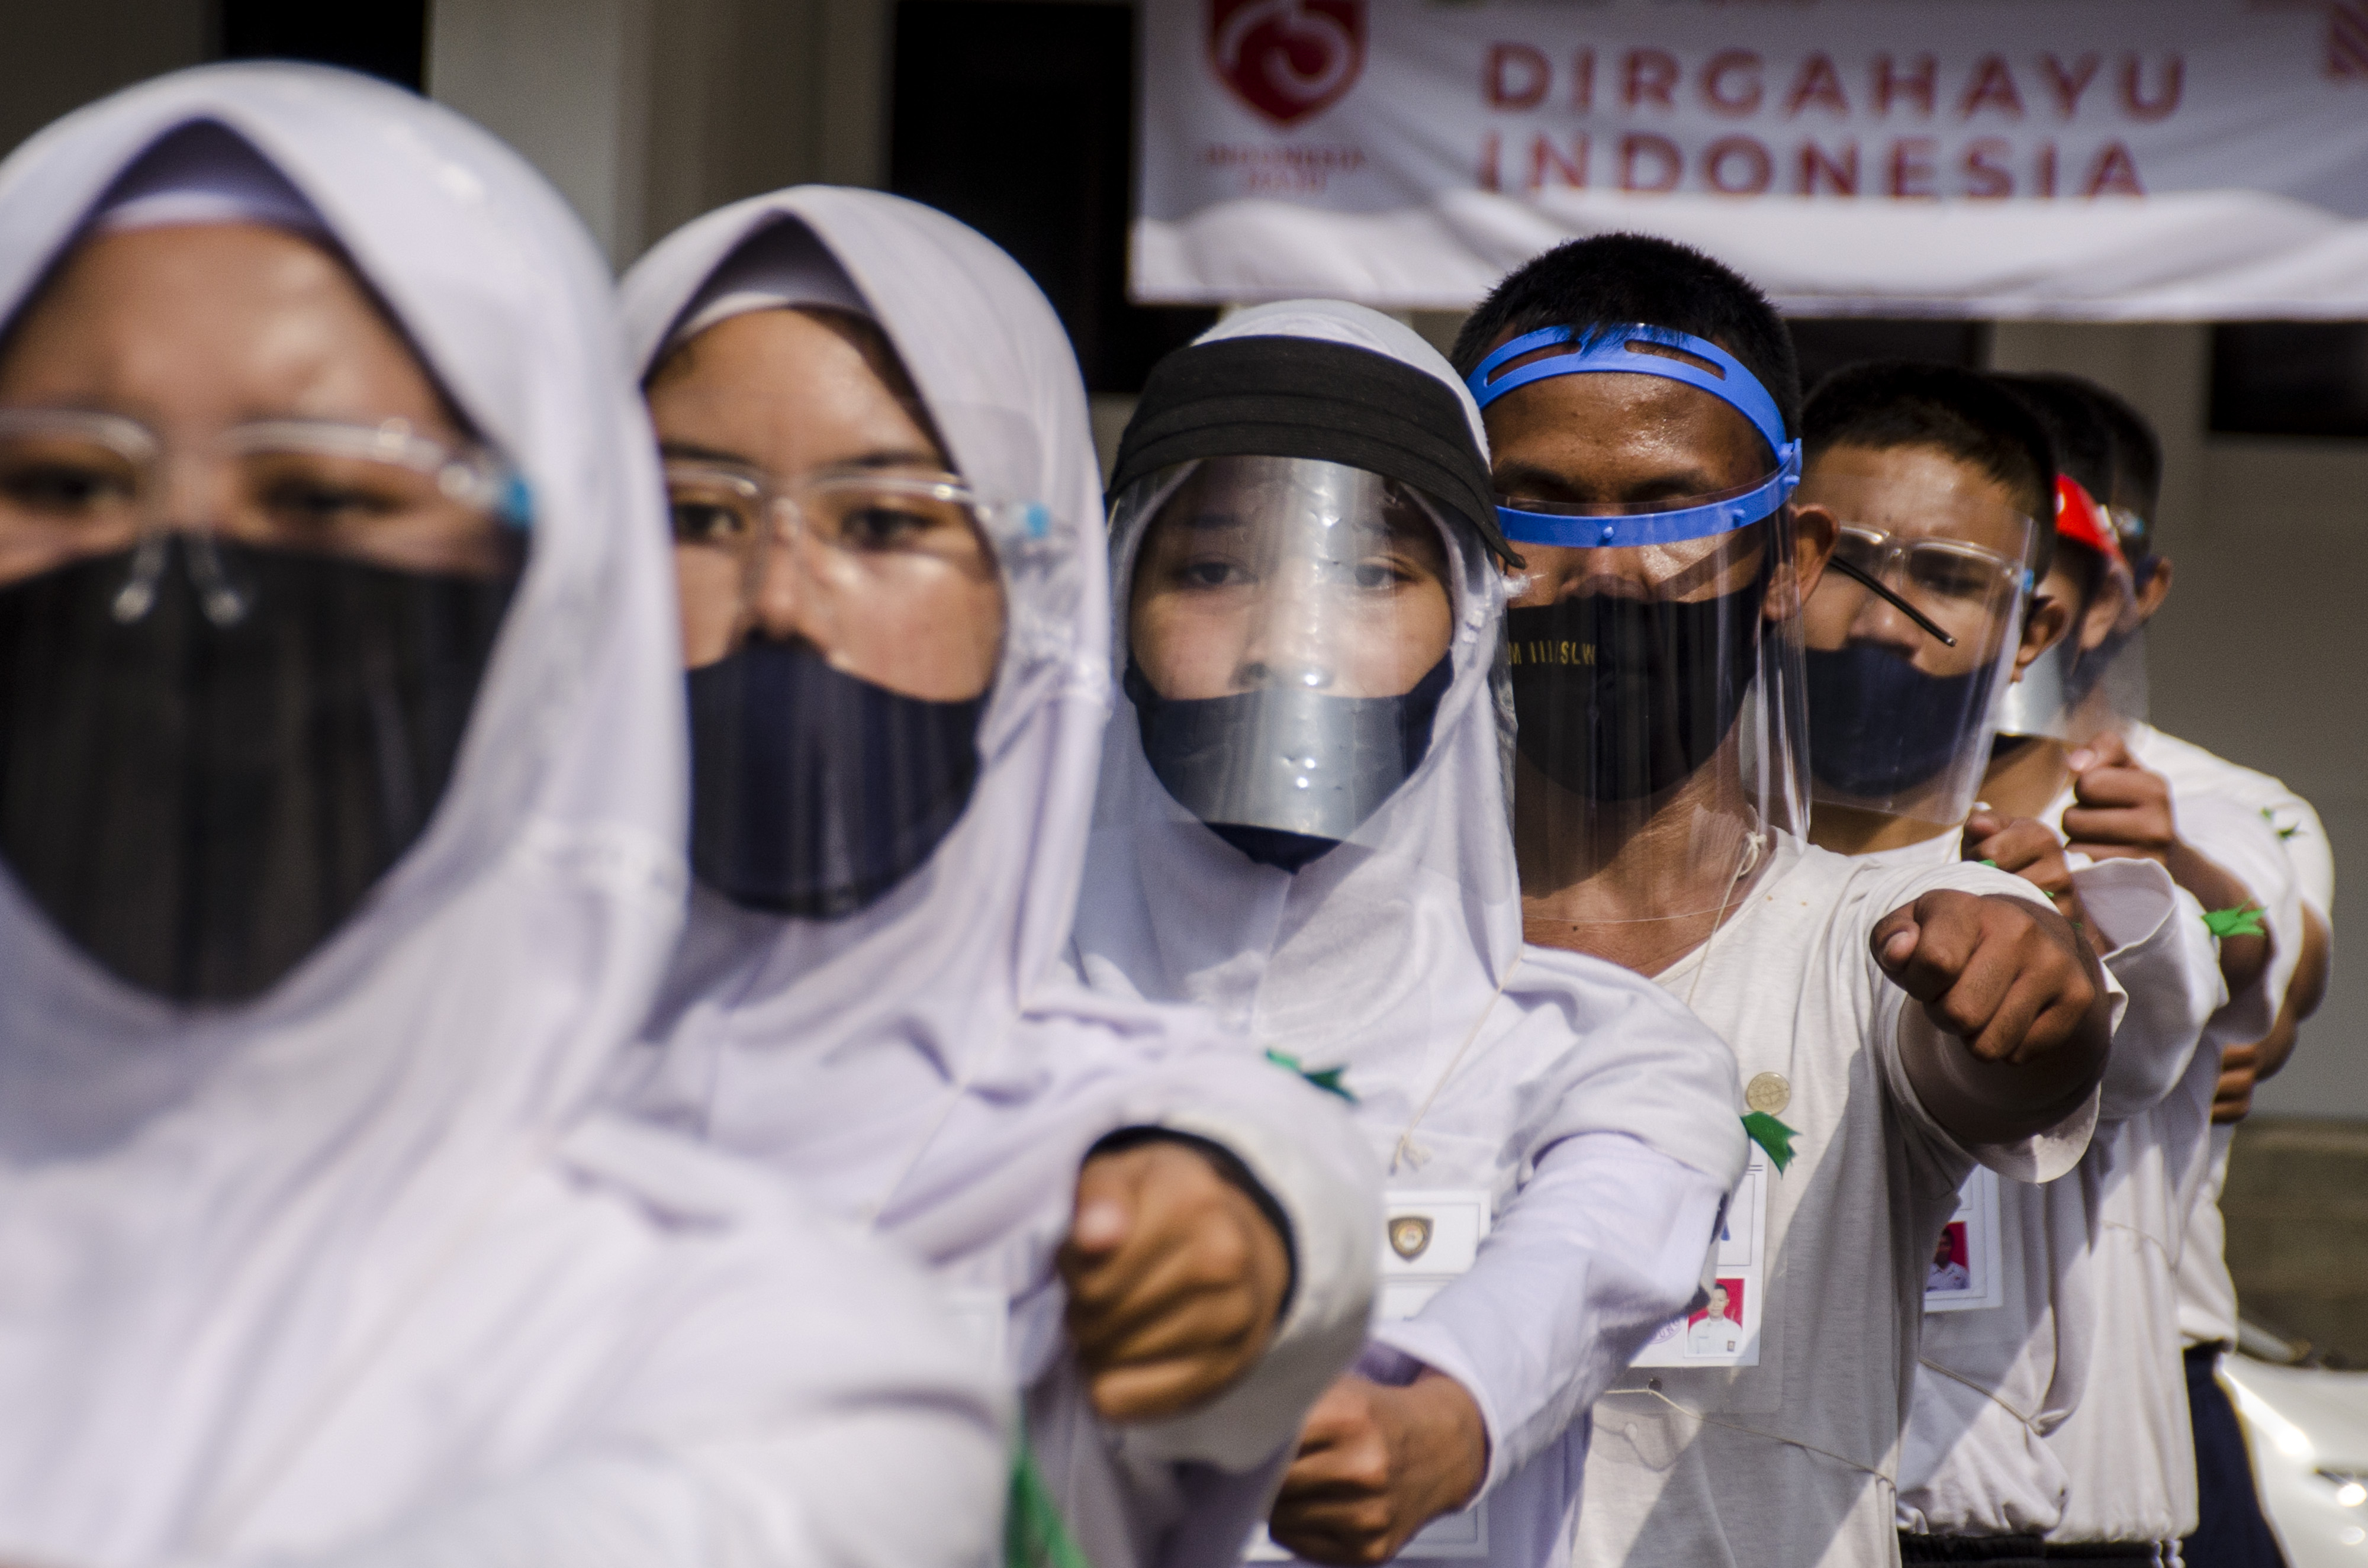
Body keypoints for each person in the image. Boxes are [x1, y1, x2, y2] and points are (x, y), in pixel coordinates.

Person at [0, 64, 1011, 1568]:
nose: (179, 580)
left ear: (555, 595)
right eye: (64, 478)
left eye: (325, 496)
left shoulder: (773, 1359)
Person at [606, 192, 1382, 1568]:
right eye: (694, 513)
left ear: (1034, 596)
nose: (779, 596)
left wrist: (1232, 1235)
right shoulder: (427, 1097)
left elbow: (1275, 1201)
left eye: (882, 521)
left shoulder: (1112, 1127)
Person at [1446, 234, 2115, 1568]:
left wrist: (2038, 1000)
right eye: (1540, 511)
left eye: (1671, 512)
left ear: (1790, 558)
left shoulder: (1874, 934)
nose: (1608, 571)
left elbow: (2008, 1061)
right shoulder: (1357, 943)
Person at [1070, 300, 1748, 1568]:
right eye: (1212, 570)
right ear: (1116, 601)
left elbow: (1585, 1263)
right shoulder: (974, 1037)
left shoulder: (1605, 1060)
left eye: (1367, 575)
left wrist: (1444, 1413)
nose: (1284, 647)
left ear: (1471, 620)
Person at [1791, 362, 2228, 1564]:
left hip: (2034, 1528)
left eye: (1943, 578)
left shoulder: (2085, 886)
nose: (1883, 621)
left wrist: (2074, 936)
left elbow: (2206, 988)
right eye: (1844, 563)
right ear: (1774, 565)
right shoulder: (1670, 887)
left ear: (2035, 628)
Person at [2052, 374, 2332, 1567]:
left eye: (2068, 544)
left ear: (2136, 579)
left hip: (2146, 1362)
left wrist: (2171, 877)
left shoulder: (2231, 807)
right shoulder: (1830, 793)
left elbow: (2259, 982)